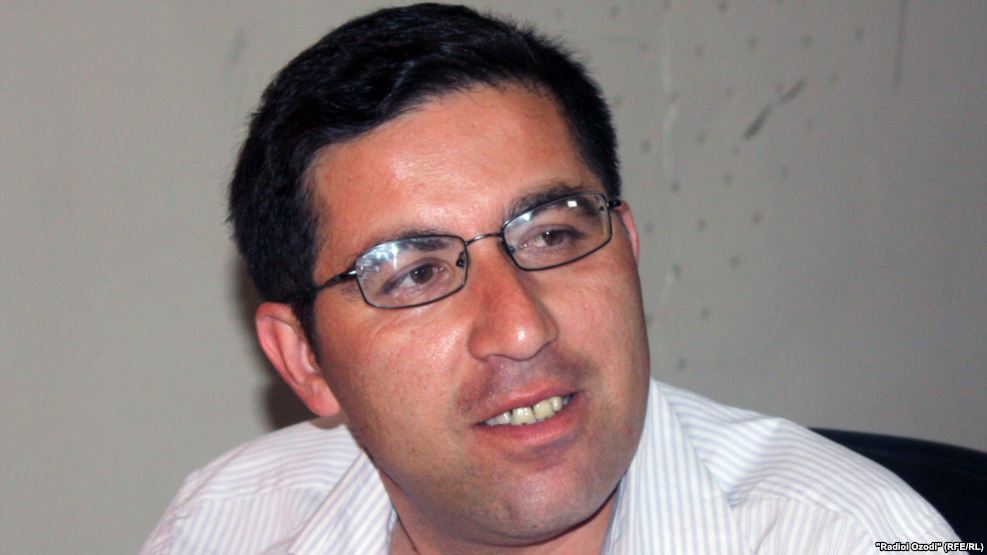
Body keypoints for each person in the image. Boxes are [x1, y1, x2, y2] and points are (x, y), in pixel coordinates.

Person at [142, 4, 957, 554]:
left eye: (551, 233)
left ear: (626, 248)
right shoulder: (227, 521)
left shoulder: (858, 538)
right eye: (416, 273)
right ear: (304, 360)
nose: (521, 325)